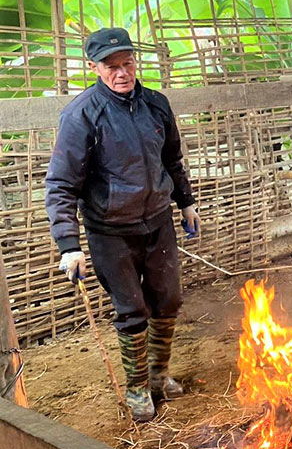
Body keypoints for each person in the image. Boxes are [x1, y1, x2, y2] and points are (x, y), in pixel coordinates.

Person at [45, 28, 201, 422]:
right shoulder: (82, 114)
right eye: (111, 66)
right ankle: (136, 390)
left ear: (136, 61)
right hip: (110, 230)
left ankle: (159, 376)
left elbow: (172, 160)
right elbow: (61, 183)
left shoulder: (156, 105)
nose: (121, 72)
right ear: (94, 68)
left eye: (127, 63)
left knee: (168, 300)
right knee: (132, 310)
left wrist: (186, 203)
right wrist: (69, 245)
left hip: (158, 220)